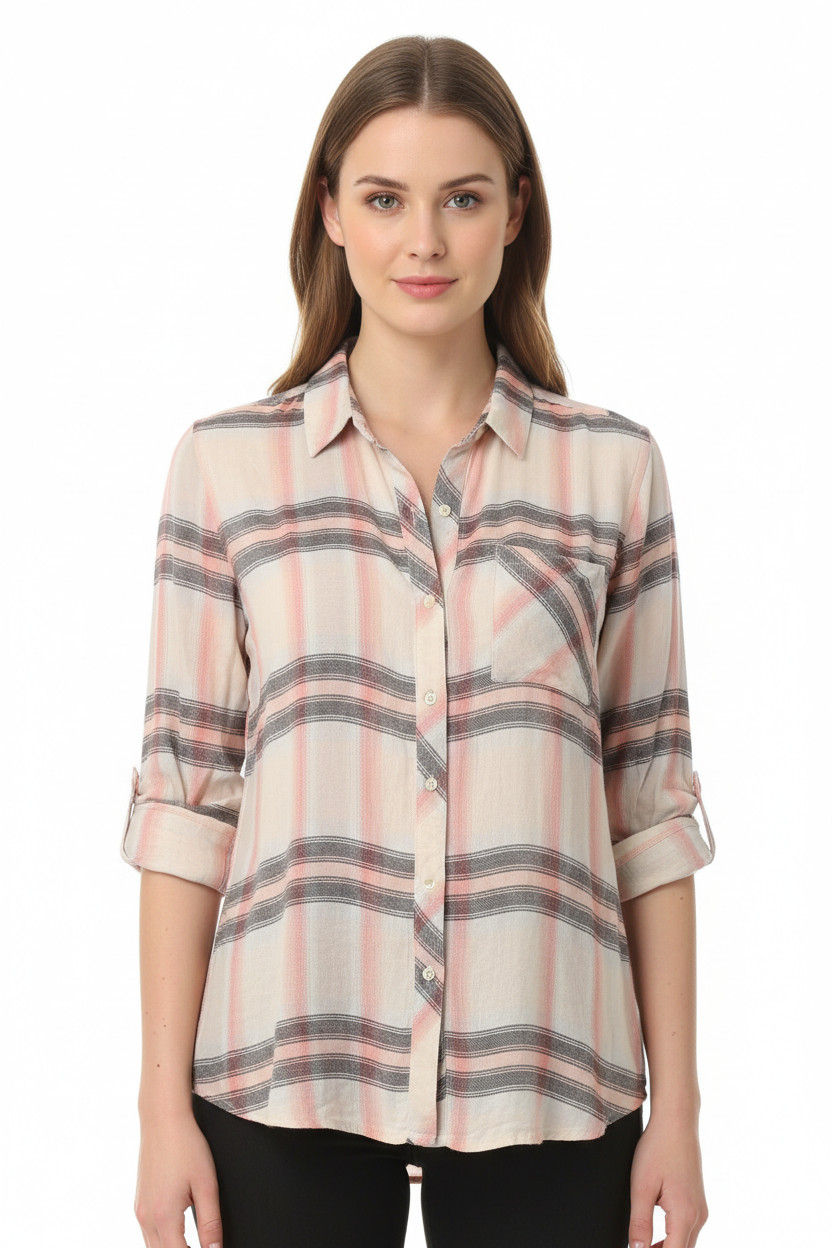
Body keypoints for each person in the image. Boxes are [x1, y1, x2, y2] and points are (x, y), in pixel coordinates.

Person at [121, 34, 716, 1248]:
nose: (424, 242)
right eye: (386, 199)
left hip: (550, 1072)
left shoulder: (612, 471)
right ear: (331, 212)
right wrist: (158, 1110)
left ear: (515, 213)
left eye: (462, 198)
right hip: (281, 1068)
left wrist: (681, 1113)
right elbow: (186, 803)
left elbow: (648, 807)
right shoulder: (227, 468)